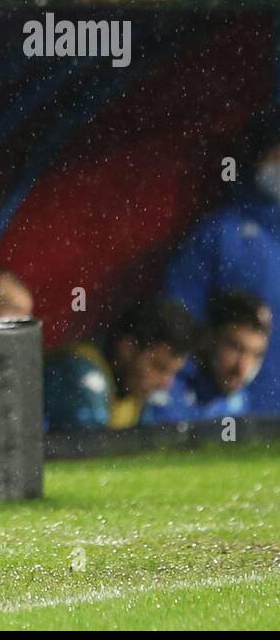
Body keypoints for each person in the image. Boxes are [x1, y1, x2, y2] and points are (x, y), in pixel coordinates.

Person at [165, 107, 280, 414]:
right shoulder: (221, 234)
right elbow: (178, 321)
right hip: (223, 417)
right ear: (260, 156)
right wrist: (194, 403)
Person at [44, 296, 198, 431]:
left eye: (173, 373)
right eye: (158, 367)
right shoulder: (78, 372)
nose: (166, 384)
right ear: (127, 349)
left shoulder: (135, 390)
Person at [144, 290, 269, 424]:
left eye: (256, 355)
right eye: (235, 348)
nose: (242, 367)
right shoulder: (164, 382)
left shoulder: (239, 402)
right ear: (209, 338)